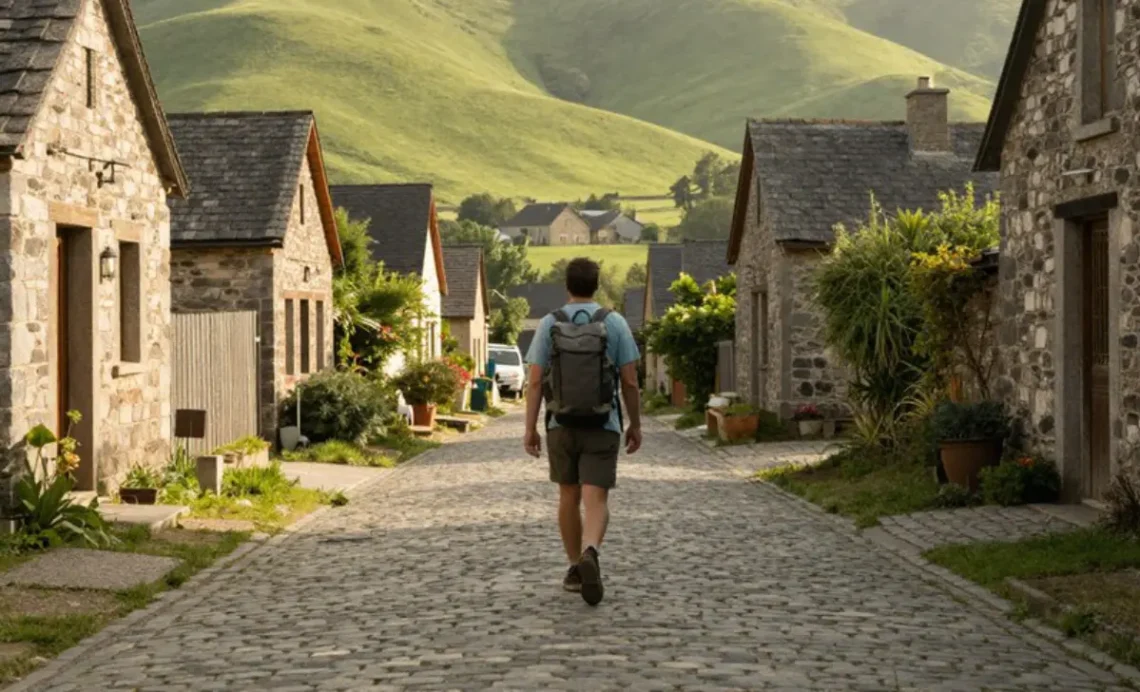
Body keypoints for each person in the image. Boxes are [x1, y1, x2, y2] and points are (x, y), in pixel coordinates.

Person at [523, 257, 642, 606]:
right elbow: (630, 380)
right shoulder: (614, 322)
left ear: (567, 286)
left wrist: (530, 429)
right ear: (597, 284)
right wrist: (635, 423)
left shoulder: (549, 324)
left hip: (561, 424)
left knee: (568, 496)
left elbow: (533, 382)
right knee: (596, 498)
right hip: (603, 424)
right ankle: (591, 551)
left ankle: (575, 566)